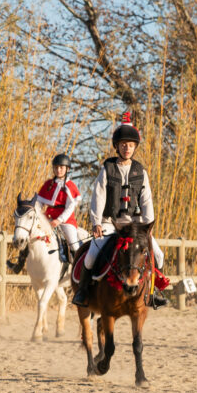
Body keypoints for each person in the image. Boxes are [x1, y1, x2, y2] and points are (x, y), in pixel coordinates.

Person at [72, 112, 169, 308]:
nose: (127, 148)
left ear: (135, 147)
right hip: (110, 223)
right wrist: (96, 222)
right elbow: (98, 195)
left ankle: (153, 292)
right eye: (123, 145)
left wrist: (147, 226)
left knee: (158, 255)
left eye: (131, 145)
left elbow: (146, 199)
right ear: (117, 146)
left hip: (135, 225)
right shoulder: (107, 168)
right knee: (91, 255)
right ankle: (83, 291)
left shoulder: (140, 171)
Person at [8, 153, 82, 273]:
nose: (58, 170)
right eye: (56, 167)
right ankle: (19, 263)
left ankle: (79, 269)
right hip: (48, 218)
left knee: (73, 243)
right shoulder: (48, 185)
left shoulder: (70, 186)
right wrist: (34, 211)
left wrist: (59, 220)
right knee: (30, 235)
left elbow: (70, 208)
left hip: (66, 221)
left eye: (61, 167)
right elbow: (39, 202)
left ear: (67, 169)